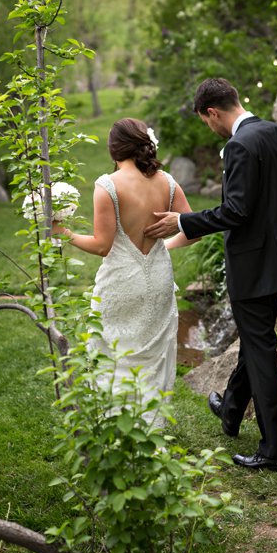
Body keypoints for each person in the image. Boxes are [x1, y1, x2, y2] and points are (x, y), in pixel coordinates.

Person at [144, 77, 277, 471]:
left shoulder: (237, 146)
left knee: (260, 349)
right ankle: (232, 409)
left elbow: (235, 211)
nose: (209, 127)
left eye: (206, 121)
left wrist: (183, 221)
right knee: (257, 340)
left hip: (254, 267)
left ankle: (275, 451)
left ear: (213, 112)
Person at [53, 118, 199, 424]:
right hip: (159, 276)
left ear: (114, 149)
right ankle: (150, 431)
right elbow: (195, 230)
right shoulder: (168, 183)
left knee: (113, 355)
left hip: (121, 282)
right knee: (154, 357)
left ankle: (116, 430)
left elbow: (102, 246)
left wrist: (63, 233)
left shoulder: (108, 186)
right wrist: (165, 247)